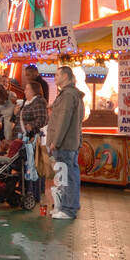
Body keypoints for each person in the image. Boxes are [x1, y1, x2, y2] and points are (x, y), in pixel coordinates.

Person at [45, 66, 85, 219]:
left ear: (66, 76)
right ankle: (64, 206)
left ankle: (69, 209)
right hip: (69, 142)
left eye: (57, 74)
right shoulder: (72, 94)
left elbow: (63, 120)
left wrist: (55, 141)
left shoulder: (68, 95)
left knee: (67, 176)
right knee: (65, 175)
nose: (54, 77)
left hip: (65, 143)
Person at [19, 78, 49, 206]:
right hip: (25, 138)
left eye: (27, 88)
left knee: (33, 165)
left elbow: (42, 119)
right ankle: (29, 191)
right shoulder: (26, 102)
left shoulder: (38, 102)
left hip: (34, 139)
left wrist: (31, 126)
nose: (24, 91)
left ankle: (34, 193)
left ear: (33, 90)